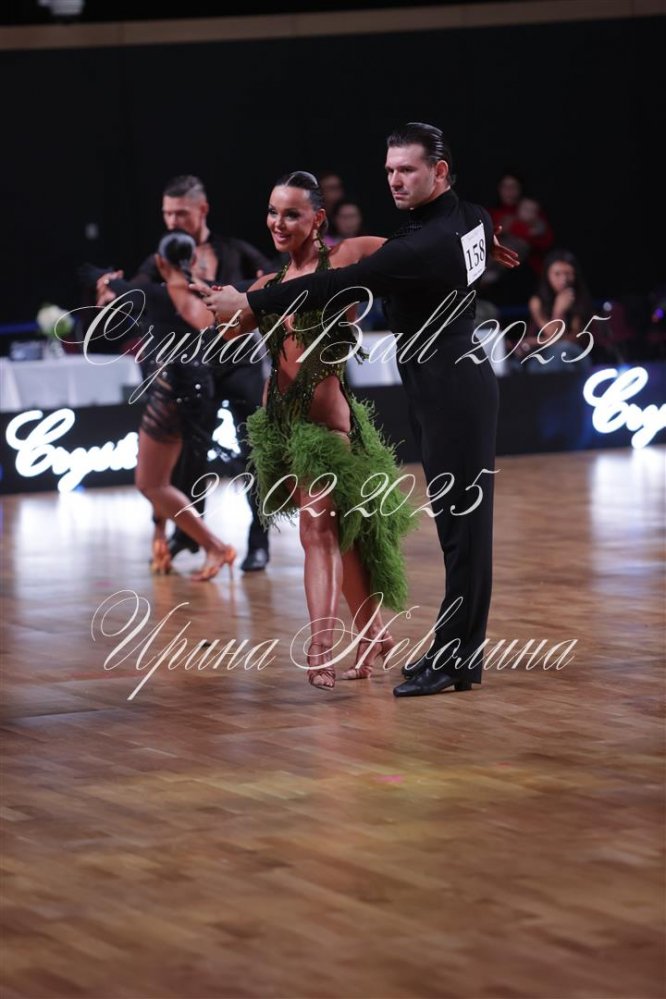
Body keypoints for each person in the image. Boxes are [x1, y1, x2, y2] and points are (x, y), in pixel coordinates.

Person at [199, 124, 520, 698]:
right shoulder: (467, 217)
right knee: (456, 531)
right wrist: (482, 247)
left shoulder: (424, 244)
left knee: (464, 532)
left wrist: (249, 299)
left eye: (407, 170)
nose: (395, 180)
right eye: (389, 170)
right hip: (439, 386)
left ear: (439, 172)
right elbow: (472, 232)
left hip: (453, 390)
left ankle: (457, 661)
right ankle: (451, 653)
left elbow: (337, 282)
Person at [194, 171, 416, 690]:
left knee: (318, 533)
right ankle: (373, 634)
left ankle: (320, 647)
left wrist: (472, 242)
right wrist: (207, 300)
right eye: (273, 212)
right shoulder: (265, 289)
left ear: (317, 219)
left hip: (329, 429)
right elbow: (221, 328)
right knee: (339, 536)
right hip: (281, 428)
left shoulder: (345, 258)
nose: (278, 222)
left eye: (291, 214)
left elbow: (415, 252)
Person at [96, 175, 274, 572]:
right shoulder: (161, 259)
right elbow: (133, 298)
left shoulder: (236, 251)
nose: (173, 221)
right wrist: (109, 293)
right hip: (193, 372)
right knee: (187, 457)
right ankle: (188, 535)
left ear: (202, 210)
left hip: (241, 365)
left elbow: (272, 284)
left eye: (180, 213)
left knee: (253, 454)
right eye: (167, 214)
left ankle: (258, 540)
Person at [131, 241, 237, 581]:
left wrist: (104, 283)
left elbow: (119, 290)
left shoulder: (159, 294)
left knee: (151, 482)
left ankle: (214, 545)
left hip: (172, 390)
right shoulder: (203, 291)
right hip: (192, 388)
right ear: (192, 258)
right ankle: (181, 539)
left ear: (160, 262)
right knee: (157, 480)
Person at [514, 248, 595, 372]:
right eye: (557, 274)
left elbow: (574, 339)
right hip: (543, 355)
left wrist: (559, 310)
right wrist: (558, 309)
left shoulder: (580, 300)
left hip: (576, 353)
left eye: (568, 273)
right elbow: (552, 333)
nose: (563, 279)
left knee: (562, 350)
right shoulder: (537, 302)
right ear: (547, 275)